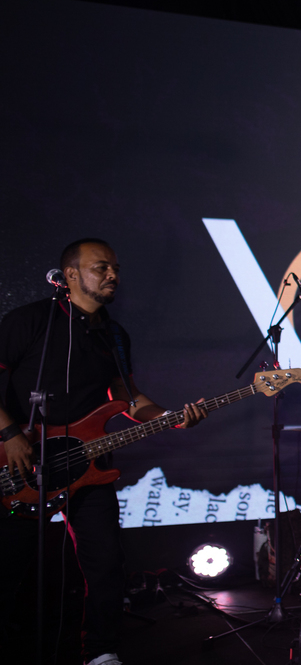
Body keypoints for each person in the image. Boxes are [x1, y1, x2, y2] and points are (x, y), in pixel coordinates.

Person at [0, 239, 207, 665]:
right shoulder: (30, 320)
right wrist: (9, 435)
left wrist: (170, 417)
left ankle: (101, 652)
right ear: (71, 275)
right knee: (9, 565)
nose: (113, 275)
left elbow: (128, 398)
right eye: (101, 267)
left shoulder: (114, 334)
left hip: (87, 464)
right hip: (23, 462)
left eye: (115, 268)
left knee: (106, 562)